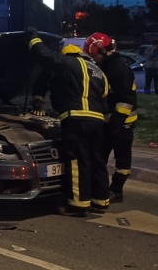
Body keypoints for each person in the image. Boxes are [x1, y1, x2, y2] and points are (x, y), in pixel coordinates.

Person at [27, 28, 110, 217]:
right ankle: (101, 201)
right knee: (97, 160)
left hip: (76, 118)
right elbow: (105, 95)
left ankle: (78, 205)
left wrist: (33, 38)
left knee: (77, 161)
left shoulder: (68, 63)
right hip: (98, 121)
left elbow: (44, 55)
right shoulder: (97, 71)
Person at [84, 32, 137, 203]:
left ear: (103, 51)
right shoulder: (108, 65)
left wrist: (116, 123)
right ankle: (99, 188)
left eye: (94, 55)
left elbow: (127, 99)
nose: (94, 59)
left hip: (123, 123)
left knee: (122, 159)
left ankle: (116, 190)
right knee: (100, 156)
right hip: (110, 122)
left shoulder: (118, 68)